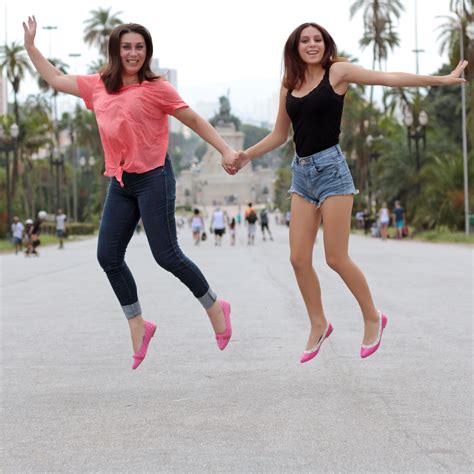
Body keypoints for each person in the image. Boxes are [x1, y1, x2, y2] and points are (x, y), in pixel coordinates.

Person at [234, 22, 468, 362]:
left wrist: (441, 80)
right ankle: (319, 323)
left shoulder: (338, 72)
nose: (312, 45)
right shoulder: (290, 83)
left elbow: (389, 78)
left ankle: (373, 316)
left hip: (332, 172)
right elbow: (280, 135)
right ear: (295, 47)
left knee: (335, 257)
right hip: (302, 174)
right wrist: (245, 156)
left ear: (325, 44)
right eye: (305, 40)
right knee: (298, 258)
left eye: (317, 39)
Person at [23, 17, 236, 368]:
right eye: (127, 47)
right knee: (107, 256)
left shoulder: (157, 88)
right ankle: (138, 323)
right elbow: (56, 79)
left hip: (154, 177)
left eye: (139, 47)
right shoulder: (97, 87)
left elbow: (195, 120)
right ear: (116, 51)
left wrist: (225, 150)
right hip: (121, 181)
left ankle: (215, 306)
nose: (133, 53)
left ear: (147, 52)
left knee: (166, 255)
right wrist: (32, 47)